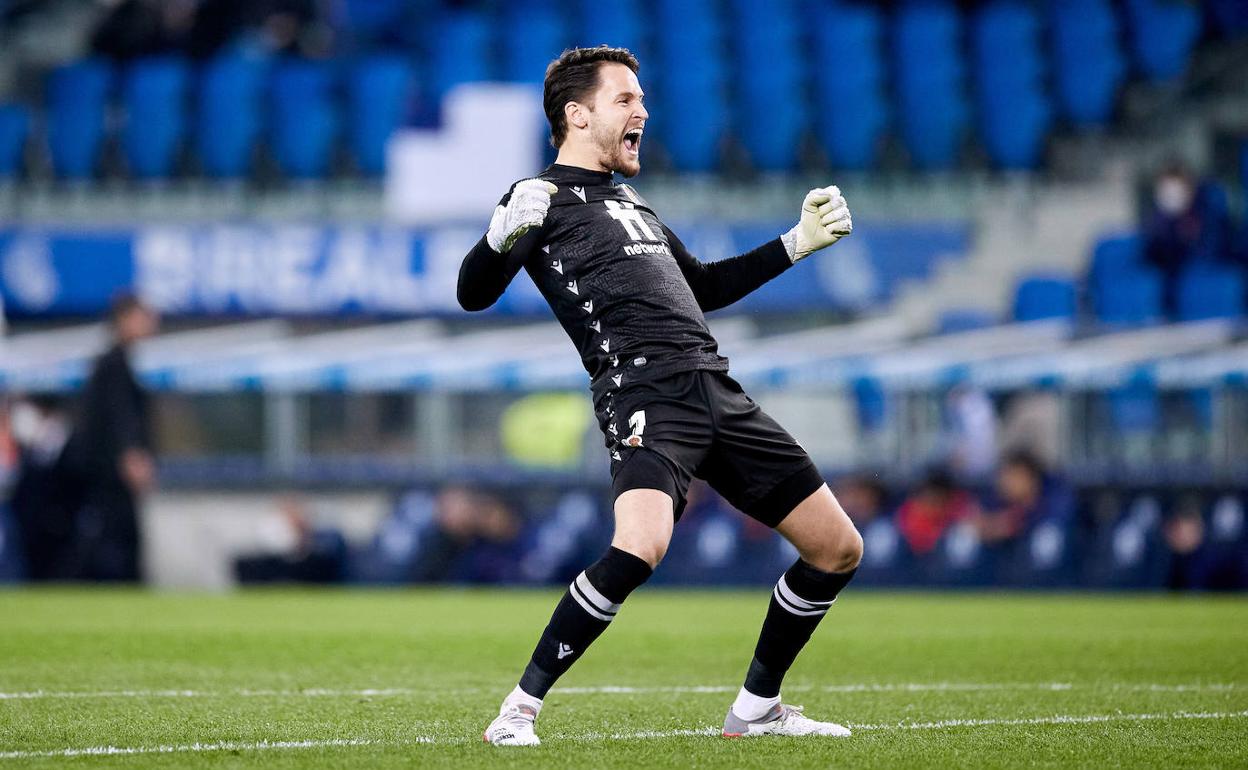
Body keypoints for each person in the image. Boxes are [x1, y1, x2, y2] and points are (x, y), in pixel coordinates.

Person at [457, 46, 861, 746]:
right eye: (625, 99)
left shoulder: (628, 200)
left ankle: (757, 709)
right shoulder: (537, 198)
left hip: (715, 388)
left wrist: (795, 244)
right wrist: (496, 240)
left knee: (838, 547)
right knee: (640, 546)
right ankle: (516, 711)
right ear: (577, 115)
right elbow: (472, 293)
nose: (642, 109)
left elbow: (703, 287)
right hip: (644, 394)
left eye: (641, 98)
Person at [62, 294, 159, 582]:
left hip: (106, 469)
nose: (151, 323)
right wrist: (132, 455)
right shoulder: (113, 364)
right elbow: (120, 415)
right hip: (108, 471)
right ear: (124, 319)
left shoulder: (117, 361)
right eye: (143, 316)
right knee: (115, 537)